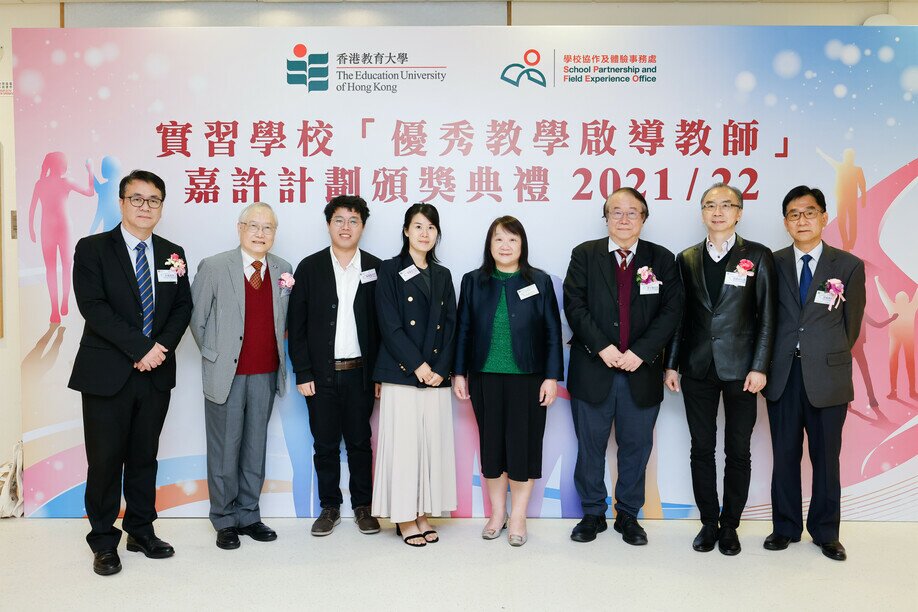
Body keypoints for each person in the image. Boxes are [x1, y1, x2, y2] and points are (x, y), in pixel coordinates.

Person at [68, 170, 192, 576]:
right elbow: (94, 307)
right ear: (121, 203)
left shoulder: (173, 252)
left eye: (154, 200)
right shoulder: (93, 249)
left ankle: (141, 529)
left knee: (144, 458)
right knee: (104, 461)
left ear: (161, 207)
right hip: (106, 374)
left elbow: (181, 308)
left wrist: (159, 351)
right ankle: (104, 540)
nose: (145, 206)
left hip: (154, 374)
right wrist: (141, 348)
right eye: (137, 199)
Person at [564, 188, 683, 546]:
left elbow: (672, 312)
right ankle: (592, 513)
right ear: (606, 218)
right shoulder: (585, 254)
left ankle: (628, 514)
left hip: (641, 372)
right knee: (590, 447)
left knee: (636, 447)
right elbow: (574, 304)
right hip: (593, 369)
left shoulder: (662, 259)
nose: (624, 218)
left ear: (644, 219)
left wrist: (642, 353)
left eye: (633, 212)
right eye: (616, 212)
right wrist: (602, 346)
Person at [664, 183, 776, 556]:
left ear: (739, 212)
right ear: (701, 212)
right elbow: (680, 318)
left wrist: (760, 366)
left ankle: (730, 526)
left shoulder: (757, 256)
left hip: (742, 370)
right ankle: (708, 523)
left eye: (726, 205)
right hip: (696, 367)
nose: (718, 211)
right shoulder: (688, 258)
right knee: (701, 448)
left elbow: (767, 319)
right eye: (710, 205)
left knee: (738, 450)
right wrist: (672, 364)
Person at [763, 185, 866, 561]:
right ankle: (785, 528)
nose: (801, 220)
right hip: (783, 375)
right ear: (785, 222)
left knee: (826, 458)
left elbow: (851, 326)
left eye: (809, 212)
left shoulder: (848, 265)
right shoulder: (769, 263)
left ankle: (826, 532)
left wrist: (821, 352)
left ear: (824, 217)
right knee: (785, 454)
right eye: (793, 214)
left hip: (828, 377)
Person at [453, 216, 563, 546]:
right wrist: (459, 372)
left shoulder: (539, 281)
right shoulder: (473, 281)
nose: (505, 246)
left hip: (529, 379)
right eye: (499, 239)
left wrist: (551, 377)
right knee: (492, 447)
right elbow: (463, 331)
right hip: (485, 377)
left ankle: (518, 517)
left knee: (523, 448)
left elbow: (552, 334)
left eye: (512, 240)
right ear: (489, 245)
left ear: (522, 245)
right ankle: (498, 513)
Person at [190, 202, 292, 550]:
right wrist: (217, 357)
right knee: (224, 450)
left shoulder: (283, 269)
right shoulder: (215, 267)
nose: (261, 233)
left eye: (269, 228)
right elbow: (197, 320)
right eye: (254, 226)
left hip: (266, 373)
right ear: (240, 229)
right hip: (227, 376)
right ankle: (224, 518)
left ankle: (249, 514)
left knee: (254, 448)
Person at [287, 195, 382, 537]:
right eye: (339, 220)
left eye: (353, 220)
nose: (346, 227)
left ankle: (363, 506)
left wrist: (380, 374)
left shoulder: (375, 267)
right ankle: (330, 507)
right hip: (320, 376)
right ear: (328, 224)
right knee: (324, 444)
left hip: (361, 373)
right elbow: (296, 326)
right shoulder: (309, 267)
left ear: (363, 227)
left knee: (360, 442)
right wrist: (304, 371)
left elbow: (384, 326)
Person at [371, 203, 457, 547]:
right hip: (402, 373)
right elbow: (389, 326)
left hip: (436, 376)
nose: (424, 233)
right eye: (418, 226)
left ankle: (422, 512)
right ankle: (404, 517)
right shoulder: (389, 270)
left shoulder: (443, 274)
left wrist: (440, 369)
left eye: (431, 228)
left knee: (429, 447)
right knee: (405, 448)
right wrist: (418, 366)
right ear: (406, 230)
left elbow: (452, 325)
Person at [29, 152, 94, 324]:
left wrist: (31, 229)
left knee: (55, 268)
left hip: (48, 229)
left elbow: (32, 209)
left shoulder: (41, 183)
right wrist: (90, 171)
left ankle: (56, 308)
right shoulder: (65, 181)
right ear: (62, 165)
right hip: (62, 228)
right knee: (65, 266)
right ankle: (60, 304)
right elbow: (90, 192)